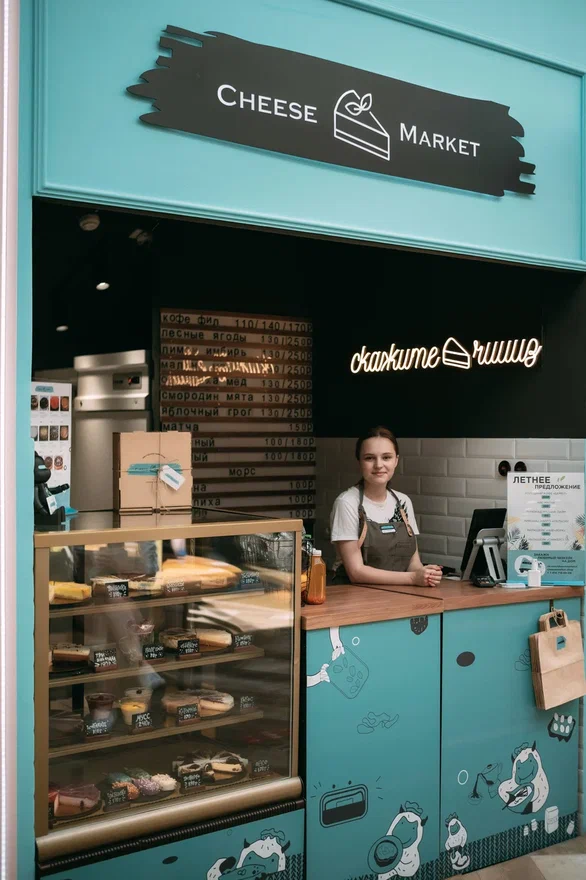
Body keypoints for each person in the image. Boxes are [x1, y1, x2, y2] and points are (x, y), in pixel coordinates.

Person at [330, 426, 442, 587]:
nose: (378, 465)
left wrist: (426, 573)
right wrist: (413, 578)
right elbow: (356, 572)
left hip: (399, 593)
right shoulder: (347, 503)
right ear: (359, 462)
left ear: (396, 460)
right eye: (369, 458)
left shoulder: (403, 502)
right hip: (354, 595)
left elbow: (413, 563)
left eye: (386, 457)